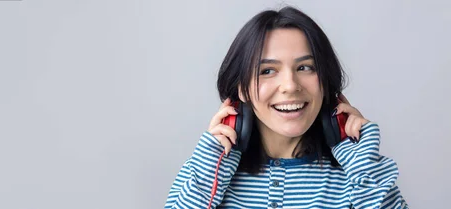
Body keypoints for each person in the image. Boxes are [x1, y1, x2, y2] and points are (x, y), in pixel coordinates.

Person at [163, 6, 409, 209]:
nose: (290, 86)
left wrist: (363, 163)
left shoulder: (361, 178)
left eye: (305, 68)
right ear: (241, 89)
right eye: (267, 71)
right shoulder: (206, 171)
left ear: (325, 82)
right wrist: (213, 160)